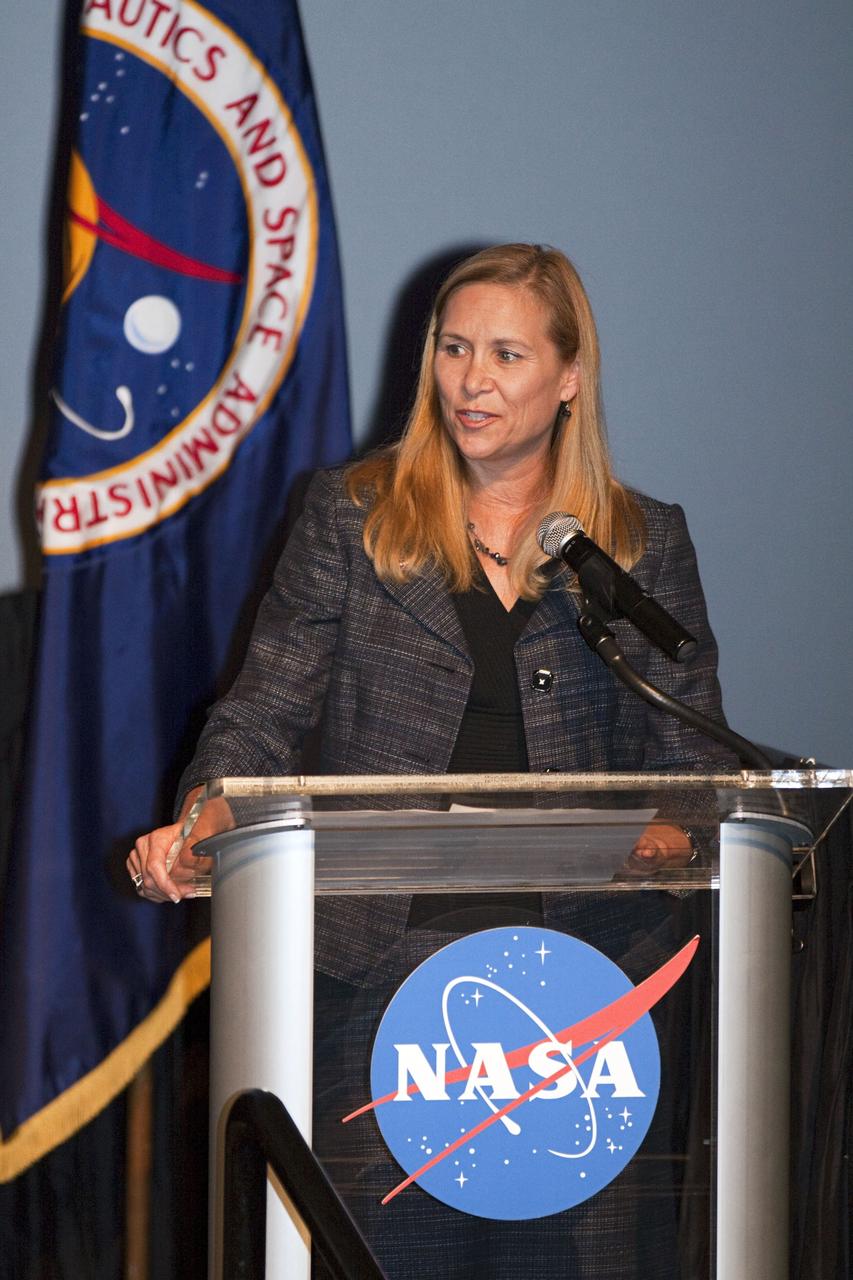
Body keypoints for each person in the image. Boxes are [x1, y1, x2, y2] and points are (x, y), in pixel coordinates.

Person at [127, 243, 734, 1275]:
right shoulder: (353, 517)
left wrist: (674, 827)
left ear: (569, 377)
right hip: (380, 978)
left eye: (504, 352)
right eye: (454, 348)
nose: (471, 378)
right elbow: (264, 712)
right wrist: (204, 815)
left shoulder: (636, 541)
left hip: (582, 994)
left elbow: (692, 751)